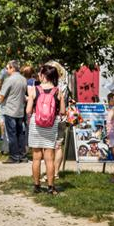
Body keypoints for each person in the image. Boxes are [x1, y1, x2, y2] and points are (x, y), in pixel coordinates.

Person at [26, 65, 66, 195]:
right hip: (51, 126)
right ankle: (50, 187)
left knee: (36, 157)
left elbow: (27, 111)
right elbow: (63, 112)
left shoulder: (33, 89)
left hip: (36, 125)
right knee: (49, 158)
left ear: (43, 75)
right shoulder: (57, 91)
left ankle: (37, 186)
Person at [0, 60, 28, 164]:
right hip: (20, 110)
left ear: (12, 68)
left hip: (10, 110)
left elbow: (1, 96)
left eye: (8, 68)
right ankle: (22, 156)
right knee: (20, 133)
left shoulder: (9, 80)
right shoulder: (24, 79)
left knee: (12, 134)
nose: (7, 70)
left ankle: (14, 157)